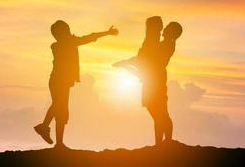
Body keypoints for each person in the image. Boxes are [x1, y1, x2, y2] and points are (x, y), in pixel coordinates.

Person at [35, 20, 118, 148]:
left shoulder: (62, 44)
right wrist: (107, 33)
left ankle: (54, 137)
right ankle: (47, 130)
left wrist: (106, 33)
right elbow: (90, 37)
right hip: (58, 81)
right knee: (59, 108)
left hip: (60, 81)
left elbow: (89, 37)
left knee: (60, 109)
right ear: (61, 33)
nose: (69, 31)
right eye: (66, 29)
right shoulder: (65, 44)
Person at [113, 17, 182, 145]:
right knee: (157, 113)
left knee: (160, 113)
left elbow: (147, 58)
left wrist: (126, 64)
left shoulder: (167, 45)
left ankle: (166, 141)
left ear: (172, 32)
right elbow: (144, 58)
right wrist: (126, 63)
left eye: (167, 28)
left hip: (156, 80)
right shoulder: (164, 43)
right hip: (153, 79)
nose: (164, 29)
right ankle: (160, 143)